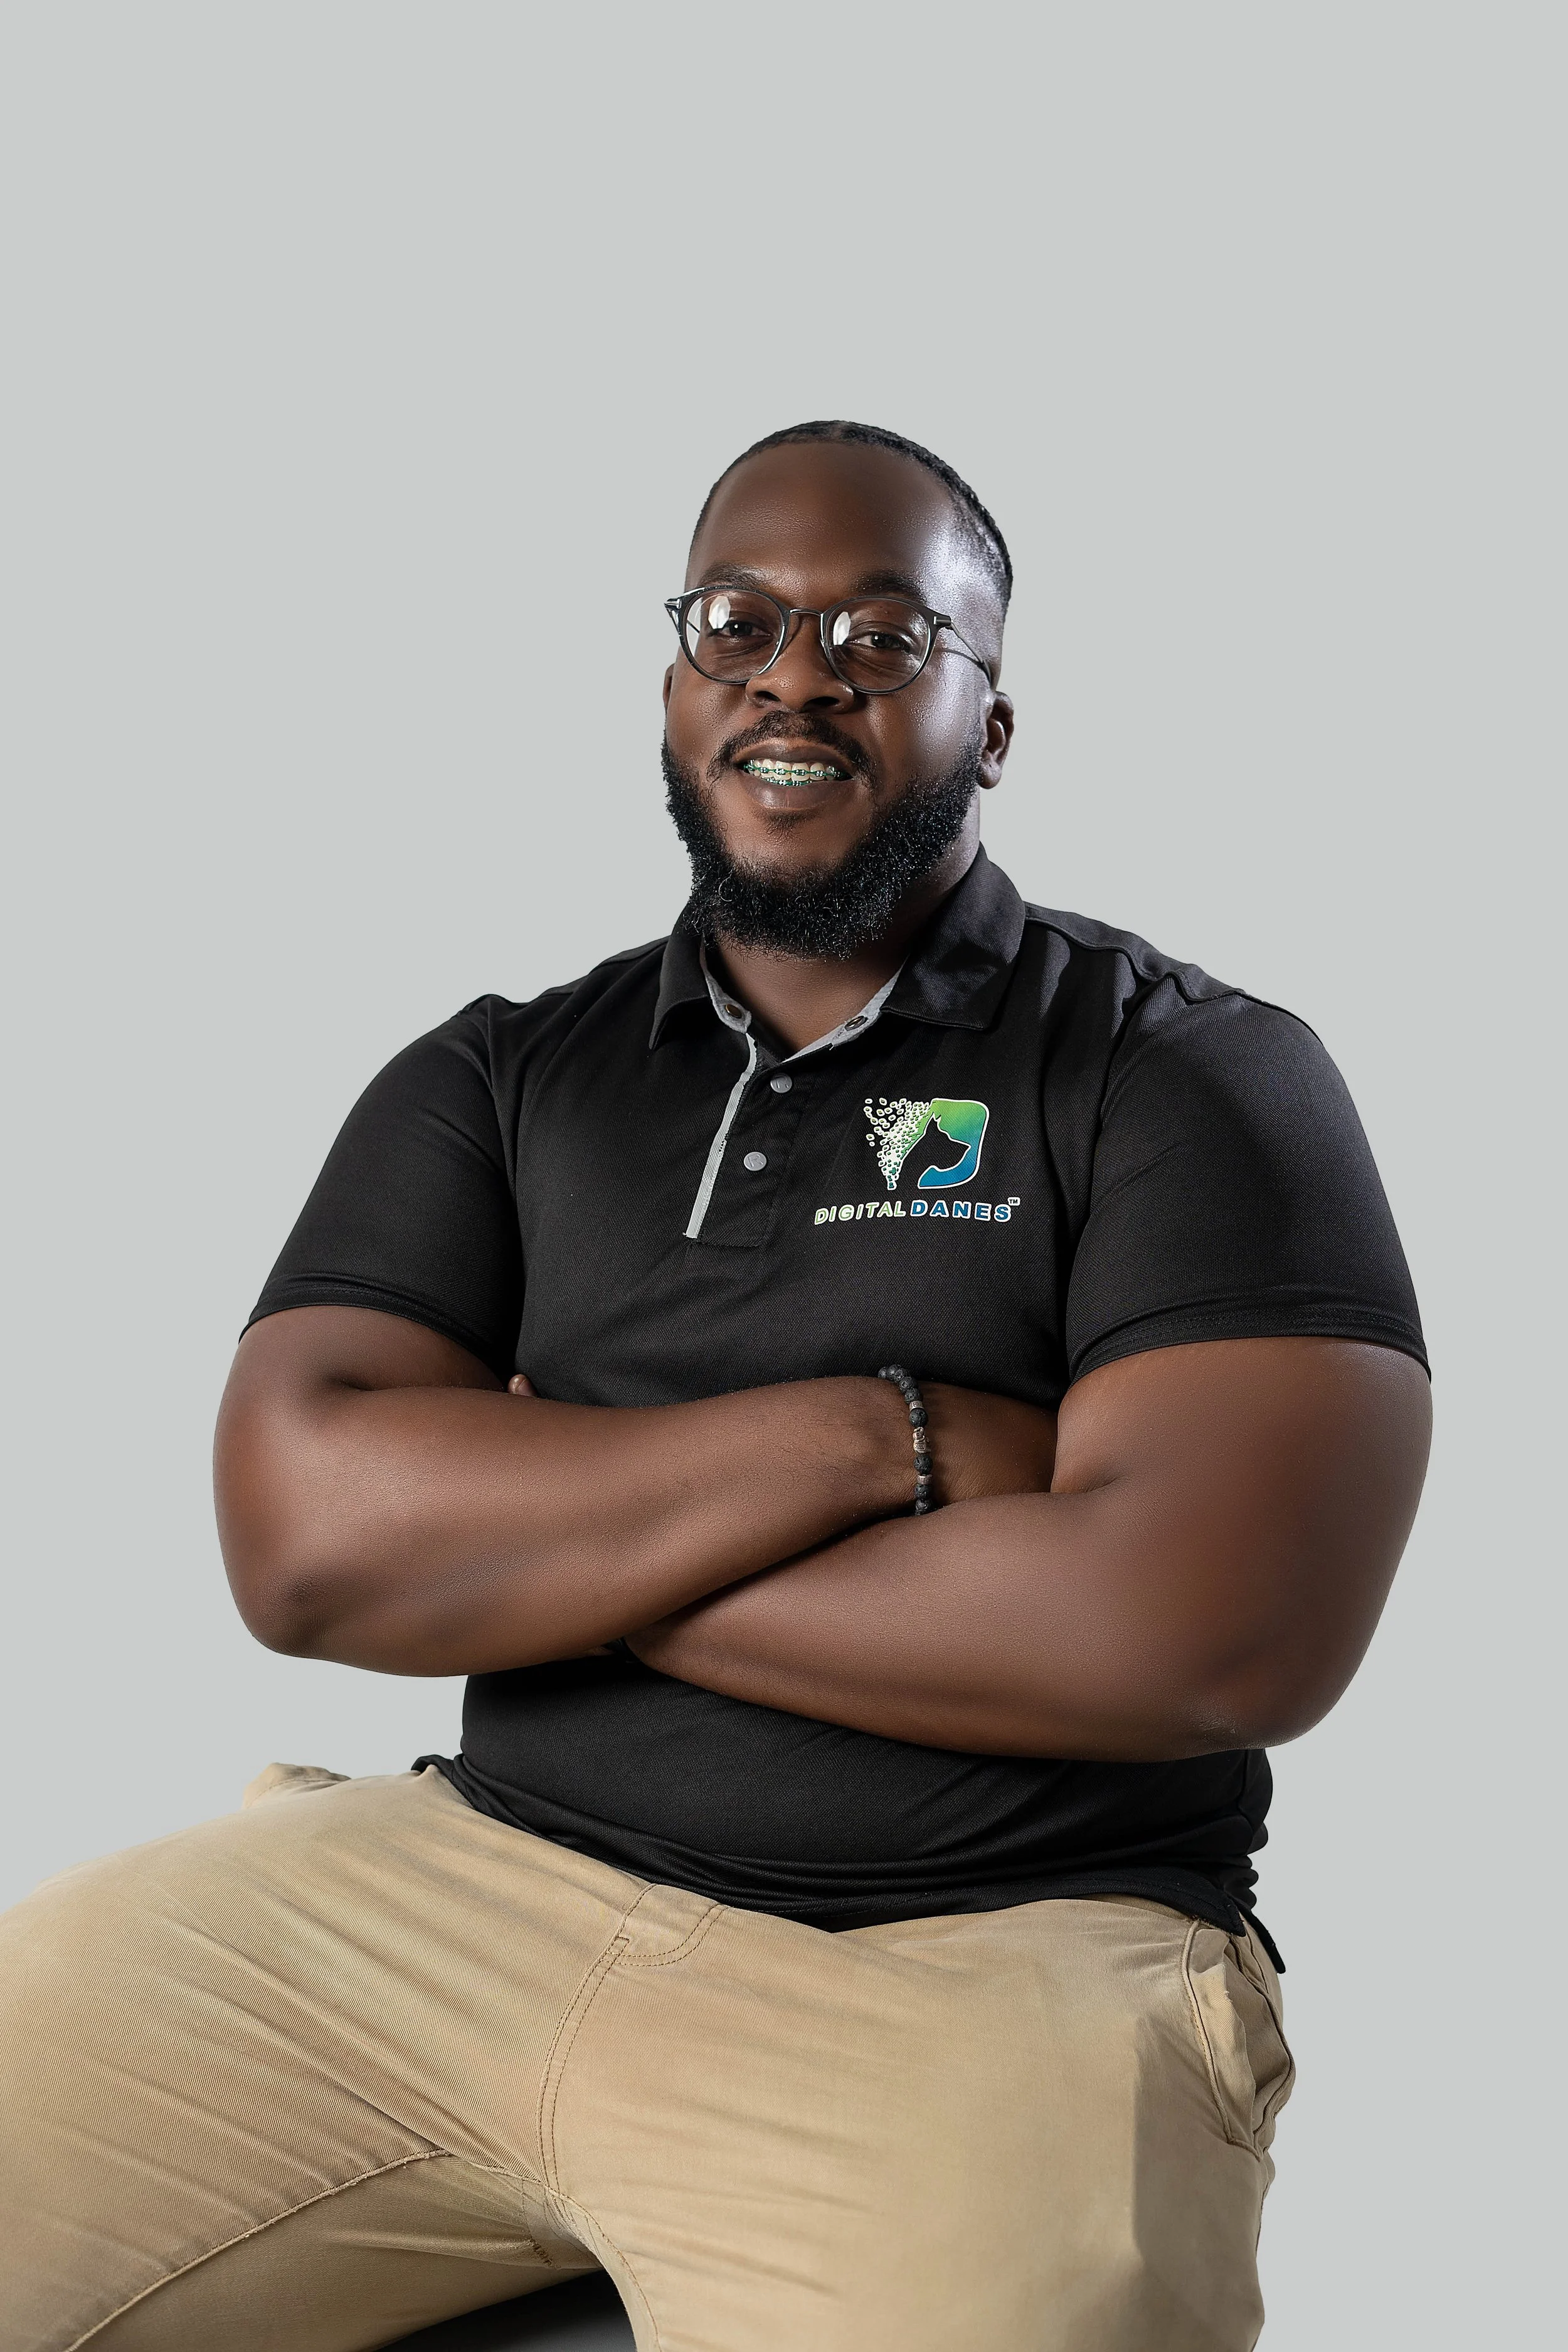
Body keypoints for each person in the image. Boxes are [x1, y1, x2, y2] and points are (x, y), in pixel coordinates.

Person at [0, 421, 1431, 2352]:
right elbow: (304, 1543)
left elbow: (1203, 1633)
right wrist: (888, 1436)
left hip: (982, 1958)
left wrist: (532, 1535)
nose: (794, 673)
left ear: (993, 723)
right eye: (736, 621)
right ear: (677, 686)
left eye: (879, 634)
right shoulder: (498, 1075)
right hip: (447, 1891)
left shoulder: (1188, 1071)